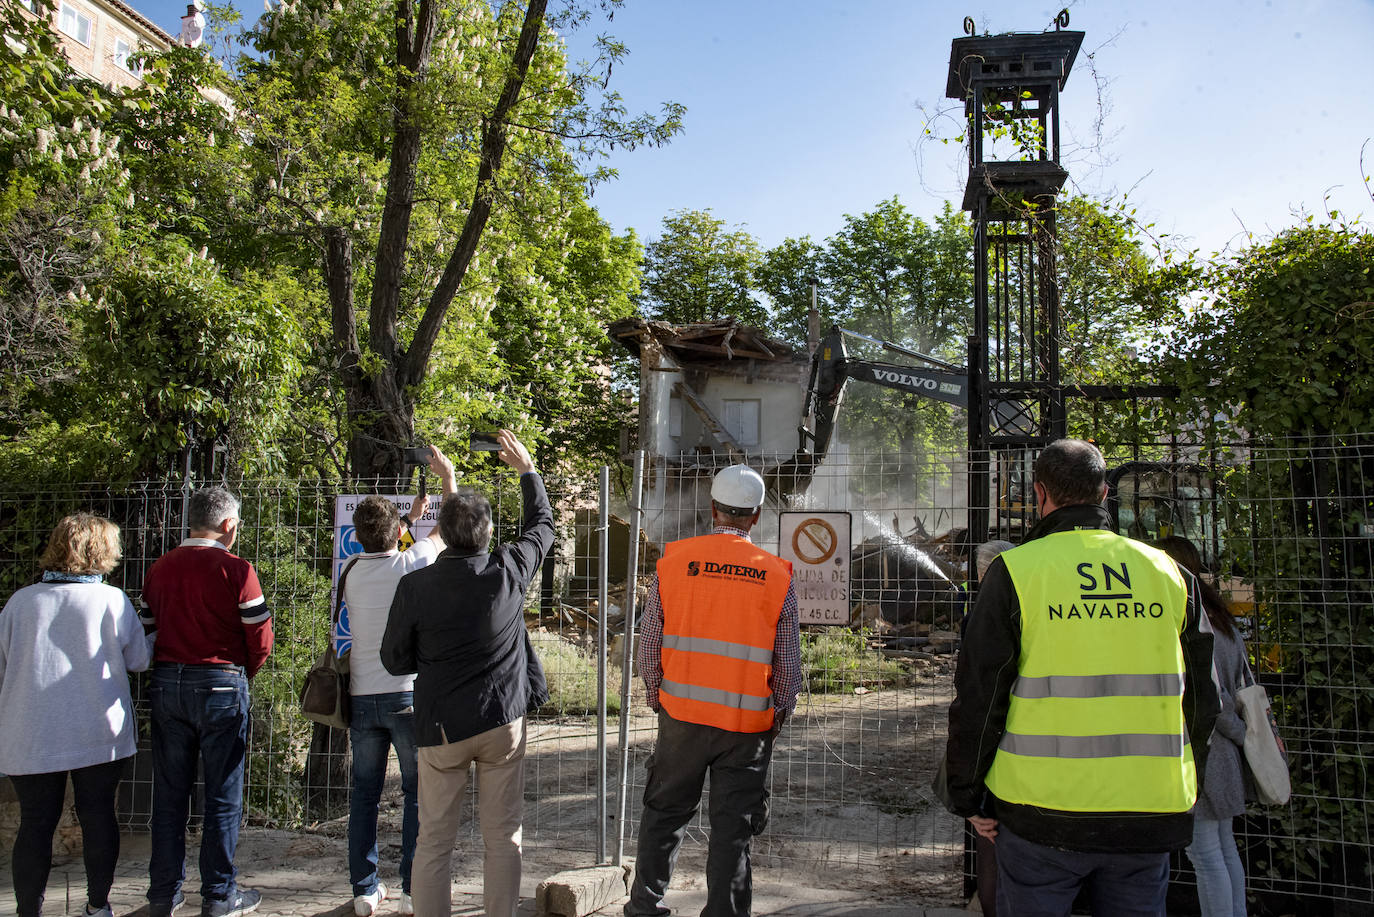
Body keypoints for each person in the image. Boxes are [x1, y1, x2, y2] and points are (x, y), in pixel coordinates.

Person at [935, 439, 1220, 917]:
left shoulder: (1016, 573)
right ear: (1105, 493)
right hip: (1149, 812)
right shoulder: (1169, 573)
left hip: (1038, 816)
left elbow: (980, 698)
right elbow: (1203, 701)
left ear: (1040, 493)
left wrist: (969, 795)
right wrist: (1186, 784)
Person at [381, 430, 553, 917]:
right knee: (503, 836)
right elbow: (542, 523)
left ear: (445, 534)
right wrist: (526, 470)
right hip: (502, 723)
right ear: (489, 532)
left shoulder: (416, 586)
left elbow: (394, 660)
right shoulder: (508, 571)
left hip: (440, 727)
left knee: (433, 840)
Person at [625, 464, 802, 917]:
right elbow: (787, 667)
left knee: (664, 814)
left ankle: (645, 907)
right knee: (732, 829)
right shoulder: (777, 575)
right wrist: (777, 715)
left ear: (712, 509)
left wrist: (659, 699)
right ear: (756, 516)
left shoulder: (674, 563)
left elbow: (648, 649)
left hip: (681, 717)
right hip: (746, 726)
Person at [0, 513, 151, 917]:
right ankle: (98, 906)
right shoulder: (111, 601)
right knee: (99, 814)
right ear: (103, 551)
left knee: (35, 823)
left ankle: (27, 910)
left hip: (30, 730)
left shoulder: (20, 603)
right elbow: (139, 660)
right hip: (97, 729)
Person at [141, 486, 273, 917]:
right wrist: (239, 673)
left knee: (170, 794)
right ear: (228, 525)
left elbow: (147, 627)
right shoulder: (237, 569)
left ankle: (163, 892)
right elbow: (260, 635)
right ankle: (219, 894)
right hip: (220, 681)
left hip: (167, 681)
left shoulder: (160, 568)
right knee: (222, 794)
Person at [341, 447, 457, 917]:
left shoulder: (350, 573)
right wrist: (447, 477)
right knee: (416, 794)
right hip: (407, 693)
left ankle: (365, 889)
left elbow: (386, 546)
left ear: (356, 534)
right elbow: (448, 531)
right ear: (397, 533)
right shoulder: (411, 565)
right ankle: (412, 888)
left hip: (361, 696)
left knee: (364, 796)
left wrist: (404, 523)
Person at [1155, 536, 1251, 917]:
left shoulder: (1187, 620)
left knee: (1205, 853)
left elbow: (1211, 695)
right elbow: (1241, 683)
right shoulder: (1221, 617)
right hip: (1225, 751)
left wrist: (1236, 732)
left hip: (1203, 747)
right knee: (1224, 848)